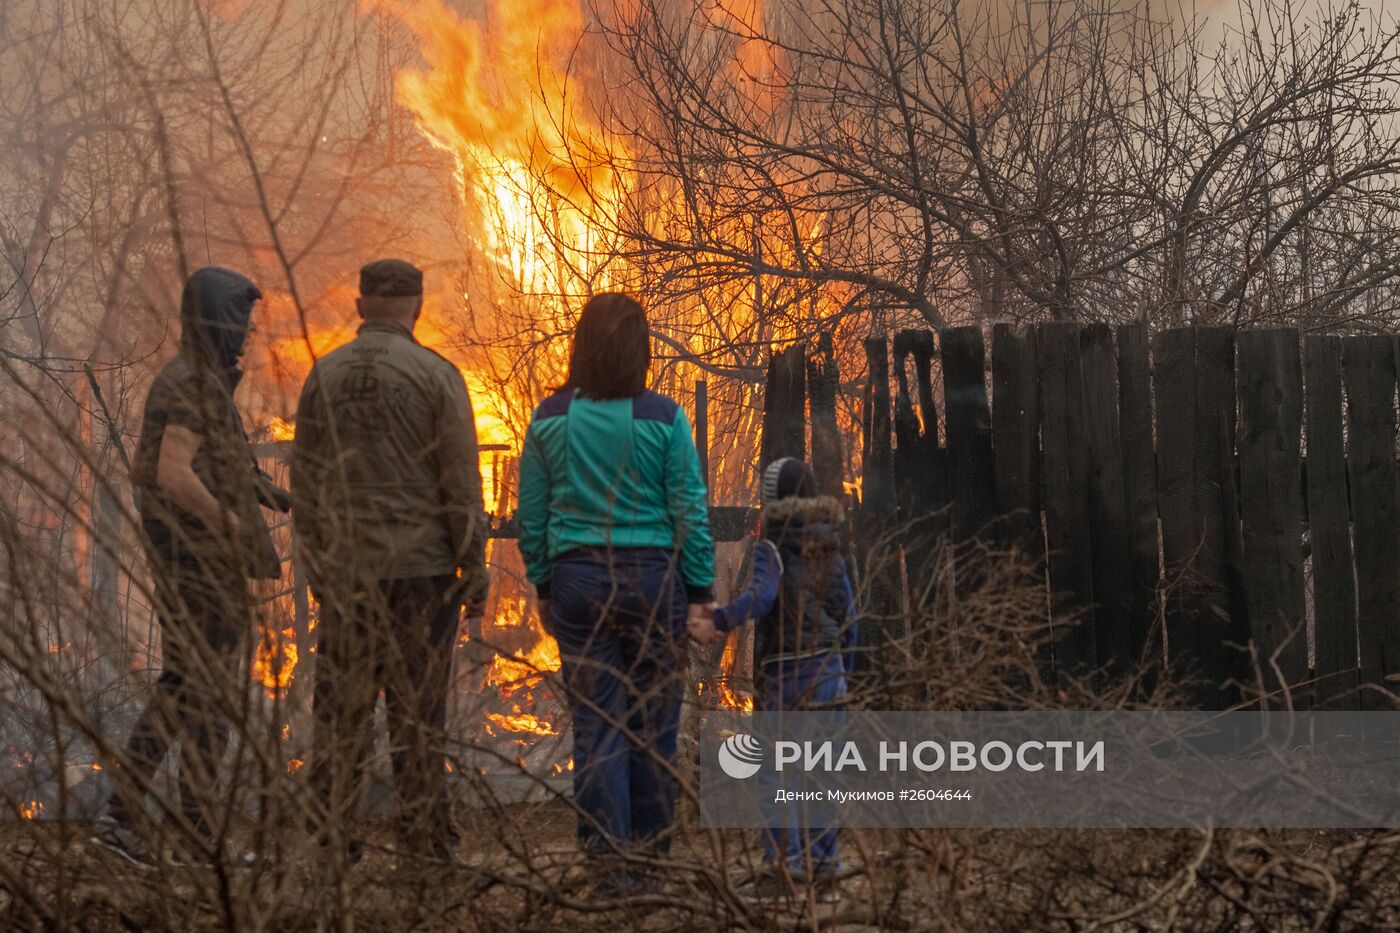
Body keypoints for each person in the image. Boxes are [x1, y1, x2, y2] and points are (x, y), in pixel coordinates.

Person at [291, 259, 489, 862]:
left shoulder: (322, 376)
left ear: (359, 305)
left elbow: (305, 483)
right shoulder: (437, 375)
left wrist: (322, 566)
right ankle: (426, 842)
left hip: (348, 572)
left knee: (341, 715)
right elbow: (458, 478)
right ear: (418, 305)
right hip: (421, 575)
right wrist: (473, 561)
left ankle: (330, 841)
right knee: (418, 712)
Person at [517, 292, 715, 883]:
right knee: (653, 726)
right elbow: (689, 510)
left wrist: (546, 583)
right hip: (653, 582)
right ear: (641, 351)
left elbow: (532, 514)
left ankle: (609, 866)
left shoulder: (549, 417)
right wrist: (699, 589)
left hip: (578, 582)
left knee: (597, 723)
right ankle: (653, 863)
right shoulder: (664, 418)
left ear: (579, 346)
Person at [93, 266, 286, 868]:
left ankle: (200, 835)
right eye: (241, 322)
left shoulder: (199, 381)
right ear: (216, 321)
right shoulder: (191, 383)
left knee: (201, 693)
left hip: (199, 559)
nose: (248, 335)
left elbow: (197, 461)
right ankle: (122, 817)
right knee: (188, 688)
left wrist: (255, 486)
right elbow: (171, 473)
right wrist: (227, 522)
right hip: (195, 561)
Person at [688, 457, 856, 903]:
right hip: (829, 673)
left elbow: (760, 597)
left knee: (775, 774)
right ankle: (824, 873)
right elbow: (849, 617)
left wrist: (720, 617)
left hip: (788, 676)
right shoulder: (828, 546)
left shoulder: (773, 546)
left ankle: (785, 871)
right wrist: (846, 675)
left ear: (772, 502)